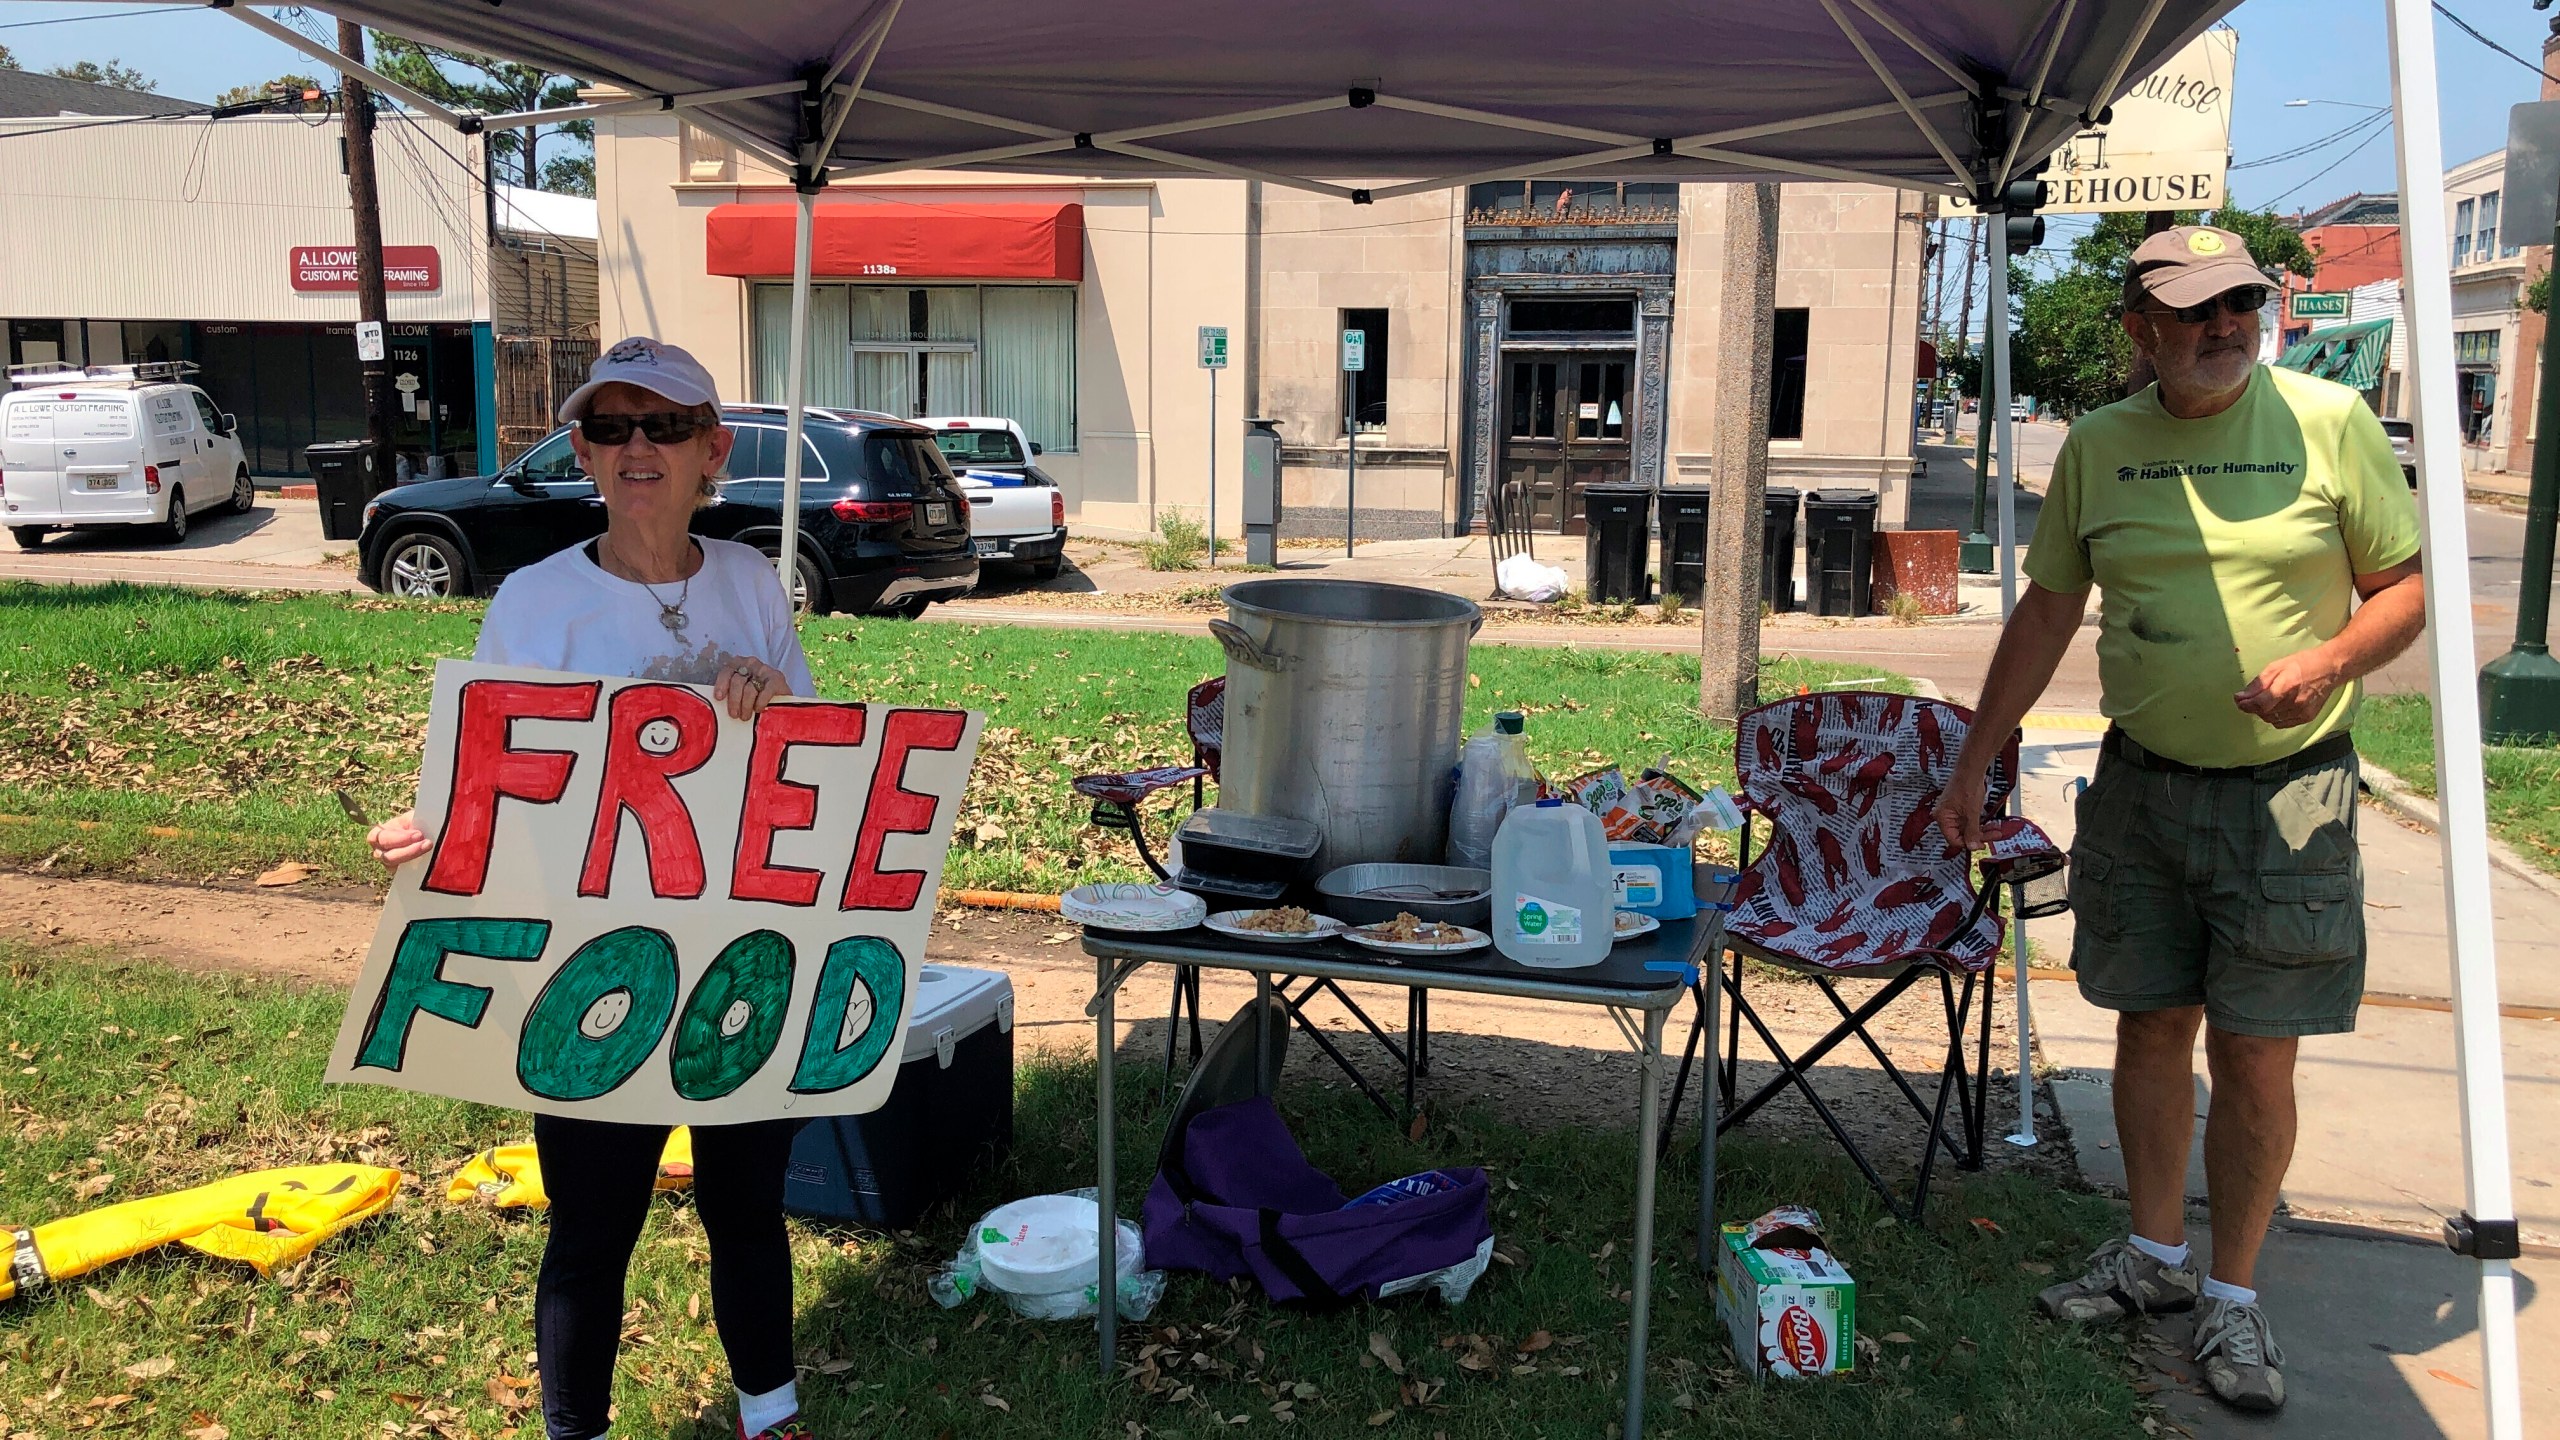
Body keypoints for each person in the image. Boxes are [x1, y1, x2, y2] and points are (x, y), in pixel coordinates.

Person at [1933, 226, 2425, 1414]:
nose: (2224, 328)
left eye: (2240, 305)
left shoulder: (2326, 423)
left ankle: (2236, 1299)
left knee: (2255, 1047)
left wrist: (2326, 659)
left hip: (2286, 799)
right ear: (2139, 332)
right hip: (2143, 785)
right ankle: (2154, 1257)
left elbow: (2402, 590)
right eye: (2196, 312)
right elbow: (2047, 614)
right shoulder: (2101, 447)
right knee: (2149, 1026)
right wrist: (1974, 763)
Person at [367, 337, 818, 1440]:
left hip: (733, 949)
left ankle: (771, 1413)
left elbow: (814, 772)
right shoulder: (535, 599)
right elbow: (494, 765)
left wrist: (772, 701)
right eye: (610, 428)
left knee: (745, 1207)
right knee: (593, 1224)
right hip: (593, 959)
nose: (637, 448)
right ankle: (578, 1430)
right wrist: (441, 825)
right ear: (581, 450)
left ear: (712, 450)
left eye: (663, 426)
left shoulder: (753, 581)